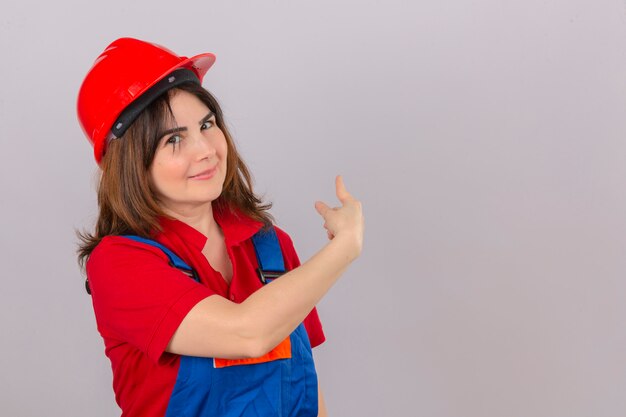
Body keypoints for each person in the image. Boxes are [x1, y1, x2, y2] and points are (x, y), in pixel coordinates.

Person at [76, 37, 364, 417]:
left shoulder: (270, 246)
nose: (206, 149)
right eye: (174, 139)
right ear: (131, 164)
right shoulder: (119, 264)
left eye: (207, 124)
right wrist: (344, 248)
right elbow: (247, 333)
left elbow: (305, 383)